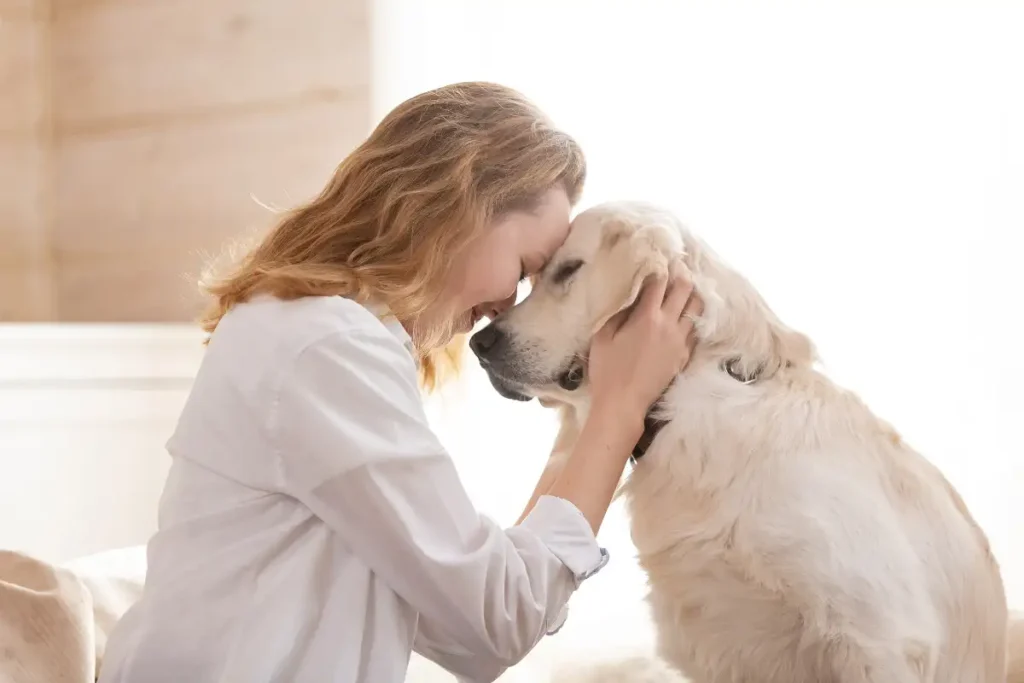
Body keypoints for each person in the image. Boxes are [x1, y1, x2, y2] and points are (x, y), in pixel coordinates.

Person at [98, 82, 701, 683]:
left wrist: (590, 408)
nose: (506, 308)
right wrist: (618, 414)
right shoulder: (325, 346)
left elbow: (469, 629)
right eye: (524, 269)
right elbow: (497, 621)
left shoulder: (311, 331)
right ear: (458, 207)